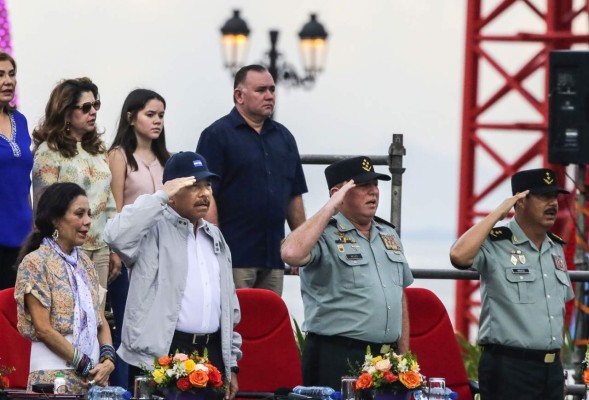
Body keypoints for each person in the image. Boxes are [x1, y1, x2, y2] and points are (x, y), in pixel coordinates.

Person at [104, 152, 241, 399]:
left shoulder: (216, 236)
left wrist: (231, 363)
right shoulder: (151, 229)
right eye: (194, 186)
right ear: (173, 192)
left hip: (212, 354)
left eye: (207, 185)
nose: (205, 193)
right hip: (163, 352)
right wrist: (159, 197)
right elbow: (114, 235)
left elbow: (230, 306)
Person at [281, 156, 414, 390]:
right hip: (337, 353)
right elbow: (290, 253)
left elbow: (399, 295)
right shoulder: (323, 233)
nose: (373, 192)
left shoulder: (388, 234)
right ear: (338, 193)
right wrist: (331, 207)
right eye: (363, 186)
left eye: (375, 185)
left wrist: (403, 353)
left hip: (385, 357)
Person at [449, 168, 574, 400]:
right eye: (543, 196)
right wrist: (499, 212)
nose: (552, 203)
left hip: (551, 371)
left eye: (554, 197)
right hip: (509, 368)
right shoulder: (498, 242)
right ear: (521, 201)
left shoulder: (555, 248)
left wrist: (560, 371)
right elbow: (459, 256)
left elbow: (555, 317)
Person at [196, 64, 307, 296]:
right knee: (235, 325)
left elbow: (294, 195)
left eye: (272, 90)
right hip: (235, 254)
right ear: (239, 95)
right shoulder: (217, 135)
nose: (269, 96)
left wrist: (300, 245)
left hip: (274, 256)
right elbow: (206, 193)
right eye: (261, 90)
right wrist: (215, 246)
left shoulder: (285, 138)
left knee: (268, 324)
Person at [14, 182, 115, 394]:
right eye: (79, 214)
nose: (87, 221)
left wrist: (107, 360)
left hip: (94, 378)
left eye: (88, 214)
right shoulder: (36, 262)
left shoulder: (85, 263)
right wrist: (84, 364)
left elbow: (100, 318)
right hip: (53, 377)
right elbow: (43, 329)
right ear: (55, 219)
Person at [31, 77, 118, 305]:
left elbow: (108, 201)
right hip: (65, 250)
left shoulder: (99, 150)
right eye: (86, 107)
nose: (93, 112)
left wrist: (114, 248)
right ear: (66, 112)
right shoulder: (49, 151)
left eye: (96, 105)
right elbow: (43, 209)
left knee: (96, 316)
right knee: (68, 315)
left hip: (100, 249)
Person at [107, 88, 170, 388]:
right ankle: (123, 389)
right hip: (131, 257)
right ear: (131, 117)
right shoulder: (119, 156)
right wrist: (115, 254)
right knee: (126, 328)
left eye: (161, 115)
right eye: (150, 114)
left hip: (162, 256)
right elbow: (114, 207)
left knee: (157, 327)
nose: (157, 121)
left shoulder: (166, 159)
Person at [0, 52, 33, 290]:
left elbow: (25, 181)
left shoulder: (20, 120)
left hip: (23, 236)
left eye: (12, 74)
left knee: (19, 315)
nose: (8, 81)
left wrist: (34, 229)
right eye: (0, 75)